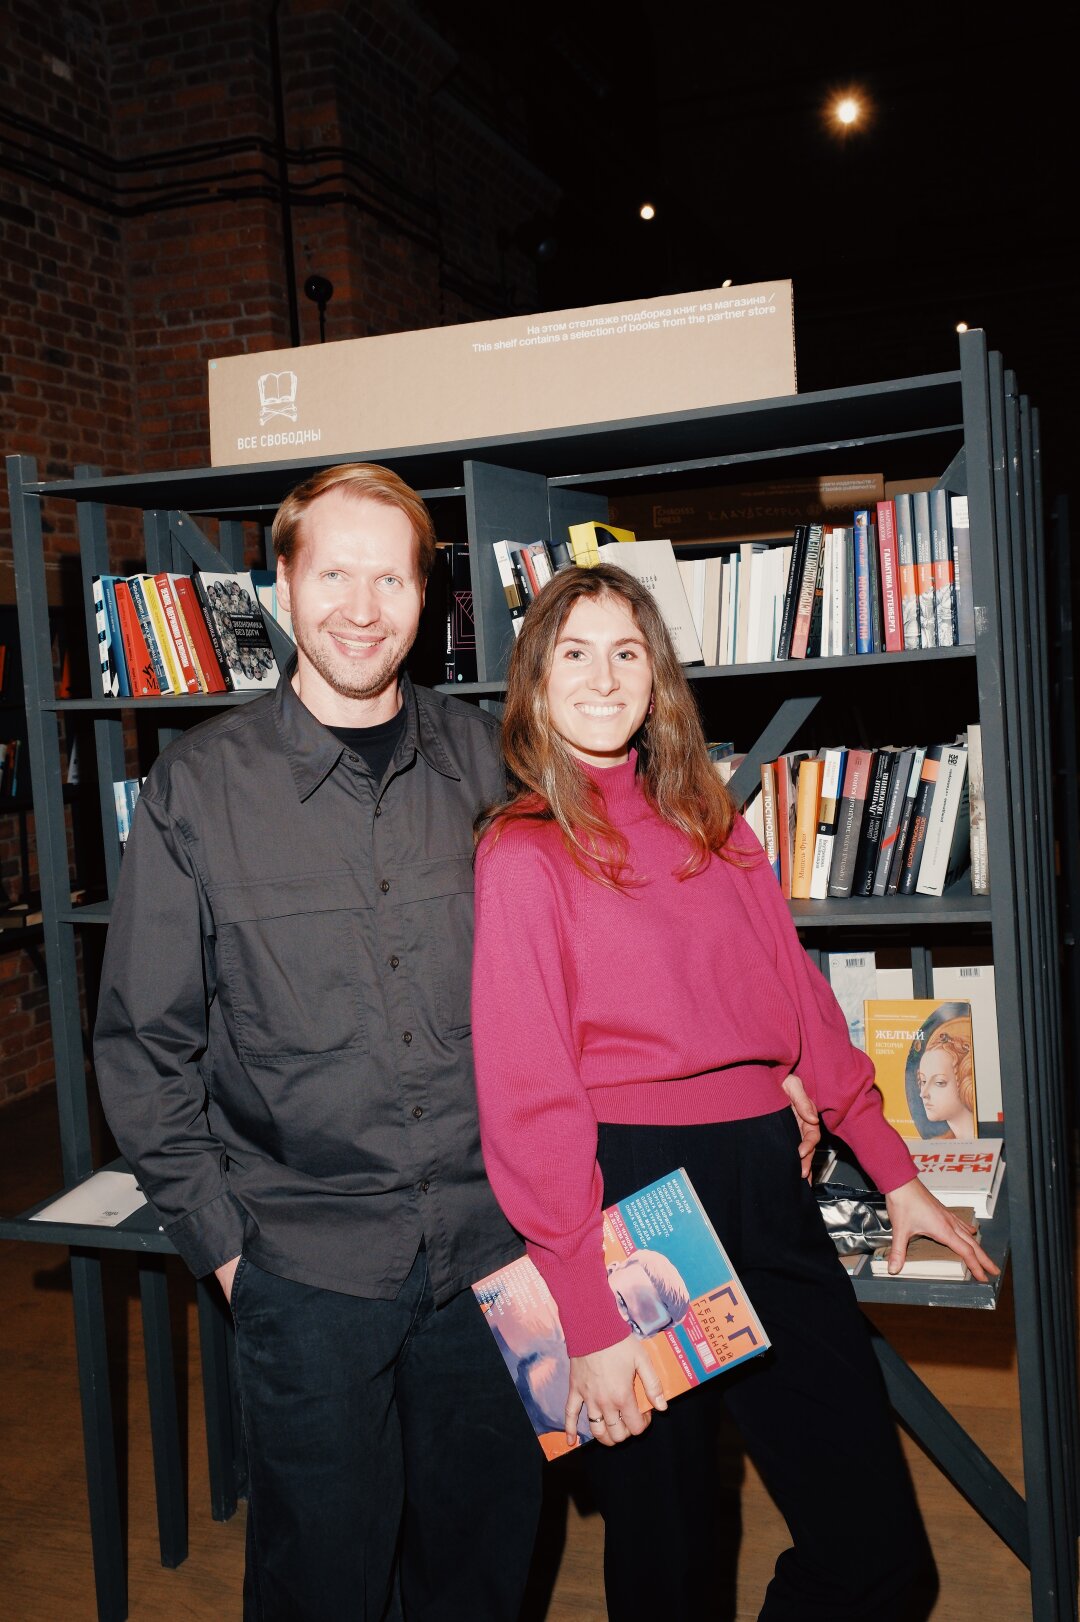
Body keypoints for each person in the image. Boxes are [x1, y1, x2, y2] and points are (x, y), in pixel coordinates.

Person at [470, 561, 998, 1622]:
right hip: (625, 1199)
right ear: (534, 683)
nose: (604, 677)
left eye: (628, 652)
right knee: (668, 1560)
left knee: (876, 1548)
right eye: (575, 653)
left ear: (657, 676)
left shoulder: (712, 818)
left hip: (764, 1174)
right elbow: (529, 1100)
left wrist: (894, 1171)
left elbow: (800, 1001)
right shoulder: (523, 851)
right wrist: (590, 1319)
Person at [94, 463, 542, 1621]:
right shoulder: (198, 789)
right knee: (322, 1586)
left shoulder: (491, 765)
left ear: (427, 595)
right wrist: (228, 1250)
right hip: (305, 1269)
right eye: (334, 573)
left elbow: (573, 976)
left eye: (390, 577)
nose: (361, 607)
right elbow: (144, 1045)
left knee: (483, 1573)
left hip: (495, 1255)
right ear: (283, 584)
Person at [916, 1016, 977, 1139]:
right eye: (923, 1081)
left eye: (939, 1082)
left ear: (967, 1084)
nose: (923, 1094)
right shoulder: (938, 1143)